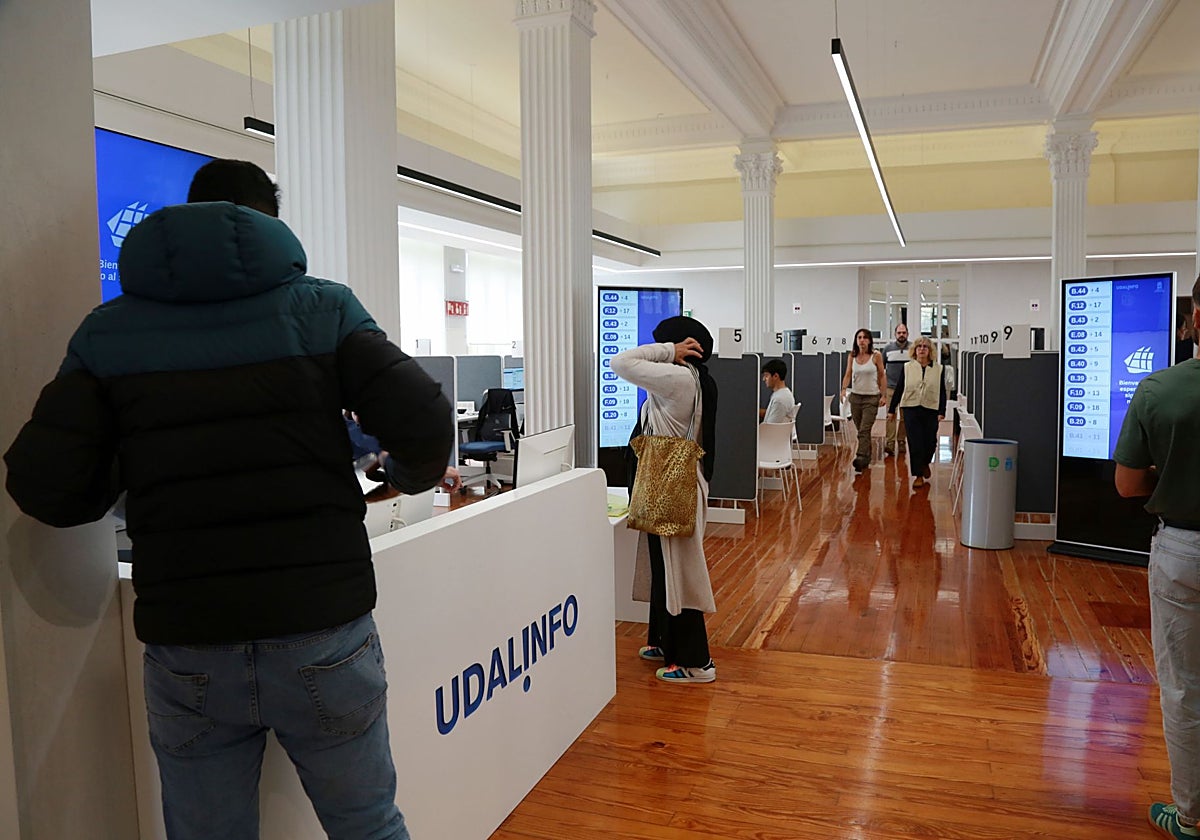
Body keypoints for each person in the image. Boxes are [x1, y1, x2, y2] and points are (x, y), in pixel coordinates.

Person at [4, 159, 452, 840]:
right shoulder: (324, 308)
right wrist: (414, 480)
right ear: (267, 220)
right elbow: (422, 421)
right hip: (322, 625)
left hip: (189, 639)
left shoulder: (109, 333)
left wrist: (123, 479)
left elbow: (44, 485)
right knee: (367, 826)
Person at [1114, 275, 1200, 840]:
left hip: (1183, 550)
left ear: (1195, 318)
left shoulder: (1159, 391)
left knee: (1185, 686)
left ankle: (1190, 815)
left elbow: (1126, 485)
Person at [611, 316, 718, 684]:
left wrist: (670, 352)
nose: (657, 353)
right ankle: (665, 641)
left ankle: (696, 663)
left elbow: (620, 362)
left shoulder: (680, 378)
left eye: (664, 345)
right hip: (668, 483)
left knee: (681, 572)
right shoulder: (692, 381)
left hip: (673, 485)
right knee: (664, 566)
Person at [886, 336, 946, 489]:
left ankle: (925, 462)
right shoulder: (907, 367)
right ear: (915, 350)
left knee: (931, 442)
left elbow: (942, 391)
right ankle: (918, 474)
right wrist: (892, 409)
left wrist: (942, 410)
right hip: (911, 407)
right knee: (915, 442)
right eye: (919, 347)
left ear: (930, 350)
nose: (922, 349)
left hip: (930, 408)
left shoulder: (938, 369)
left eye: (925, 347)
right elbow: (899, 388)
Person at [840, 328, 887, 473]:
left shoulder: (876, 355)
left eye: (865, 337)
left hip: (871, 397)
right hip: (856, 397)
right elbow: (848, 374)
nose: (862, 340)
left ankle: (860, 457)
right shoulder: (852, 356)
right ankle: (866, 454)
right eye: (859, 337)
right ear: (856, 340)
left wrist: (883, 395)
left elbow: (881, 375)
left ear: (869, 341)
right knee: (861, 429)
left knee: (864, 429)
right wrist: (843, 389)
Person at [882, 323, 911, 456]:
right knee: (890, 416)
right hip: (891, 388)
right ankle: (890, 443)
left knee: (905, 417)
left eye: (904, 333)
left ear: (907, 334)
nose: (901, 335)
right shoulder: (887, 349)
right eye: (899, 333)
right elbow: (881, 369)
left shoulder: (912, 349)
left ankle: (901, 441)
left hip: (907, 388)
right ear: (895, 334)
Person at [760, 358, 797, 423]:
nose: (764, 379)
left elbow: (771, 427)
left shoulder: (779, 400)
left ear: (775, 376)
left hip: (769, 432)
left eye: (766, 376)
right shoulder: (783, 393)